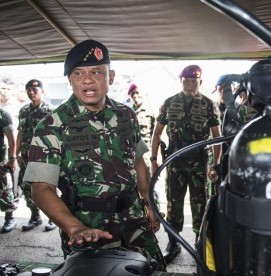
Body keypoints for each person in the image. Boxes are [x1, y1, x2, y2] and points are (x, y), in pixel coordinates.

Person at [23, 40, 166, 271]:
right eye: (78, 73)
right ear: (69, 80)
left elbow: (138, 162)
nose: (87, 79)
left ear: (110, 77)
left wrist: (150, 202)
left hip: (135, 222)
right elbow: (41, 189)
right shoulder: (52, 125)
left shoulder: (126, 115)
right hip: (89, 230)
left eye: (96, 72)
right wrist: (74, 228)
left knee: (152, 271)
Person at [151, 65, 221, 263]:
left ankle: (200, 242)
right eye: (186, 81)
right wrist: (154, 160)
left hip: (200, 165)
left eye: (194, 81)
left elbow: (217, 137)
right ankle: (173, 243)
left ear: (201, 82)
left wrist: (215, 165)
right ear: (180, 81)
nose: (190, 85)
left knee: (200, 204)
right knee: (174, 204)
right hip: (175, 164)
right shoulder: (169, 103)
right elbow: (156, 133)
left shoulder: (209, 104)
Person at [16, 79, 56, 232]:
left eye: (35, 90)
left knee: (49, 188)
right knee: (26, 187)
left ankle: (53, 218)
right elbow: (20, 133)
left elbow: (56, 135)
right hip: (26, 156)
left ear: (42, 91)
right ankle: (35, 216)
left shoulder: (50, 110)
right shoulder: (23, 110)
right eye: (29, 90)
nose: (31, 92)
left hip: (44, 156)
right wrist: (15, 154)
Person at [127, 84, 156, 169]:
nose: (135, 96)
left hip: (146, 154)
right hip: (130, 154)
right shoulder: (126, 112)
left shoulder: (150, 112)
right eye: (132, 94)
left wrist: (156, 158)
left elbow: (157, 136)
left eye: (137, 93)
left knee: (147, 180)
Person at [0, 106, 17, 233]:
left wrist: (12, 159)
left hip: (1, 160)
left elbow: (11, 139)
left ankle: (10, 218)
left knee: (5, 188)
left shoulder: (3, 114)